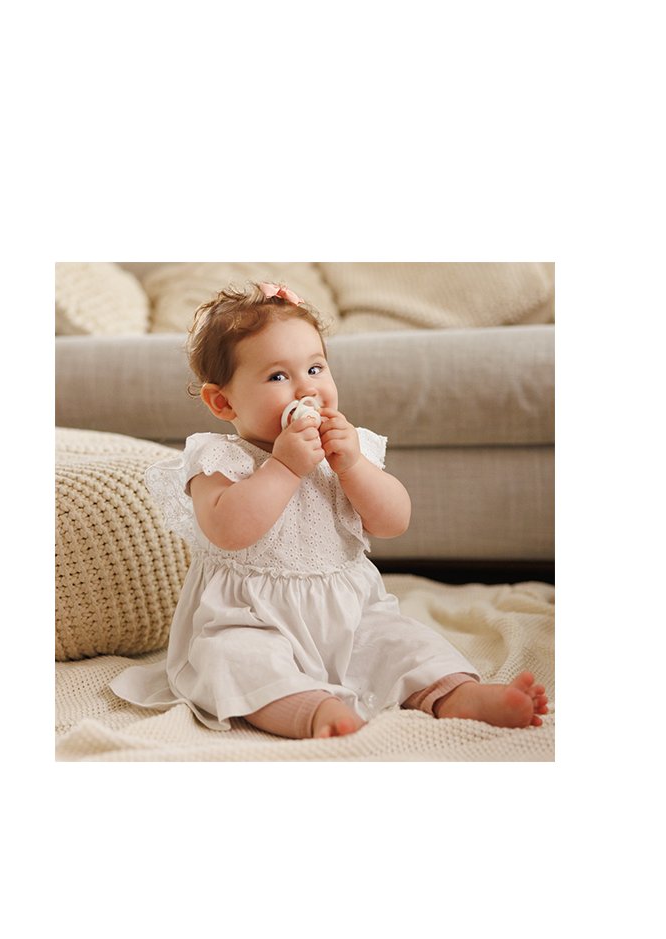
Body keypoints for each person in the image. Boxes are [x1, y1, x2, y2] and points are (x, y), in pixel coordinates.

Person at [109, 281, 548, 739]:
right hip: (251, 620)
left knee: (405, 643)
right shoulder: (219, 459)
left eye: (315, 368)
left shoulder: (346, 450)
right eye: (278, 377)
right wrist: (283, 467)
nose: (307, 389)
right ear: (223, 401)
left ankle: (460, 695)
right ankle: (313, 710)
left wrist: (353, 466)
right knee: (231, 660)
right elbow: (228, 530)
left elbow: (393, 522)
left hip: (352, 619)